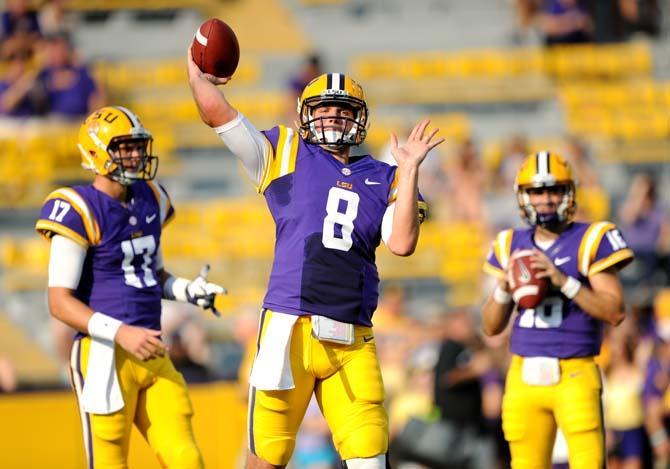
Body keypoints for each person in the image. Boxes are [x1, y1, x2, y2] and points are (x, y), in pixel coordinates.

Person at [187, 47, 444, 469]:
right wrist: (198, 78)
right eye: (324, 110)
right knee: (266, 460)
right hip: (289, 327)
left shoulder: (387, 176)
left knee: (369, 459)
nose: (334, 119)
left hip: (352, 336)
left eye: (344, 111)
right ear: (306, 115)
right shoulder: (285, 151)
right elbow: (219, 116)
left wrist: (412, 168)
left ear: (358, 119)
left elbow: (401, 243)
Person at [35, 105, 226, 469]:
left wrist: (187, 290)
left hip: (151, 351)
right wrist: (121, 333)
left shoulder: (150, 197)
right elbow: (59, 303)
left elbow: (150, 273)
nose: (136, 155)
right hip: (104, 354)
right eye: (125, 147)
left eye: (138, 146)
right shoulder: (79, 207)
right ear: (95, 153)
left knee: (186, 458)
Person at [481, 151, 634, 468]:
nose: (546, 199)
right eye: (537, 191)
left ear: (569, 193)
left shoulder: (591, 238)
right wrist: (505, 288)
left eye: (554, 190)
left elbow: (615, 312)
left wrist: (564, 281)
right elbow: (491, 327)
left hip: (574, 371)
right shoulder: (510, 243)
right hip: (523, 374)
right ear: (523, 196)